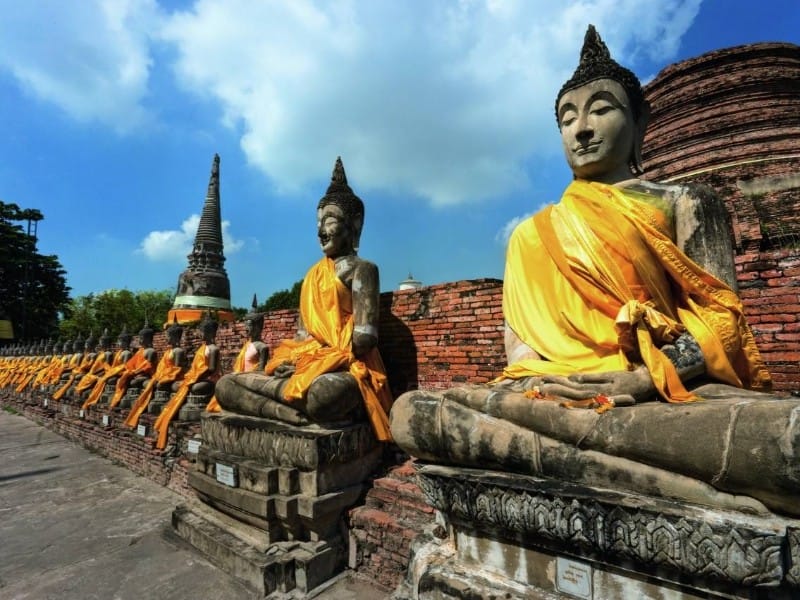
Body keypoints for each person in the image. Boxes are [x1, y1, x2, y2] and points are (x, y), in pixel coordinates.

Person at [389, 26, 799, 517]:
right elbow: (521, 356)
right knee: (413, 414)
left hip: (660, 393)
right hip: (550, 396)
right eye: (567, 118)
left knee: (784, 441)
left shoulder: (685, 203)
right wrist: (549, 390)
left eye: (601, 108)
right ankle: (665, 482)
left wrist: (640, 381)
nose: (581, 128)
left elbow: (723, 326)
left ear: (640, 121)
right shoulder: (531, 234)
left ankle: (606, 467)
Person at [214, 157, 393, 442]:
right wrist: (297, 360)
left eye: (329, 220)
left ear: (354, 223)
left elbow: (364, 338)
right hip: (308, 364)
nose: (321, 230)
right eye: (318, 222)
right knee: (226, 385)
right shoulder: (312, 276)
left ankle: (281, 407)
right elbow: (301, 337)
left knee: (324, 394)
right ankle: (287, 412)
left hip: (343, 366)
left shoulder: (363, 270)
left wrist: (315, 362)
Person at [153, 312, 221, 449]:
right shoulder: (202, 348)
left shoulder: (213, 349)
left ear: (209, 332)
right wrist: (191, 377)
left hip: (209, 380)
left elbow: (211, 369)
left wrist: (195, 378)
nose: (200, 334)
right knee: (178, 386)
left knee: (196, 388)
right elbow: (193, 368)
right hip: (196, 378)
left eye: (201, 331)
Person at [206, 295, 268, 412]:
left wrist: (243, 377)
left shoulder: (262, 347)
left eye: (249, 325)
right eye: (246, 325)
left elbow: (262, 371)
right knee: (223, 384)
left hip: (251, 382)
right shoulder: (247, 345)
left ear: (258, 326)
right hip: (241, 379)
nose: (246, 328)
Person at [124, 320, 187, 428]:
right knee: (136, 382)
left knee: (158, 384)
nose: (166, 338)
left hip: (175, 378)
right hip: (161, 376)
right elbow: (159, 368)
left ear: (176, 337)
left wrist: (162, 377)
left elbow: (177, 370)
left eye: (168, 336)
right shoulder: (167, 351)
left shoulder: (178, 351)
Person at [108, 322, 157, 408]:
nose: (139, 340)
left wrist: (135, 373)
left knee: (132, 382)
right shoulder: (139, 351)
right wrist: (129, 372)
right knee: (117, 380)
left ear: (149, 338)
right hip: (135, 374)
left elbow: (149, 367)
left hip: (146, 375)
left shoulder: (150, 351)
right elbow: (129, 365)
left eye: (141, 338)